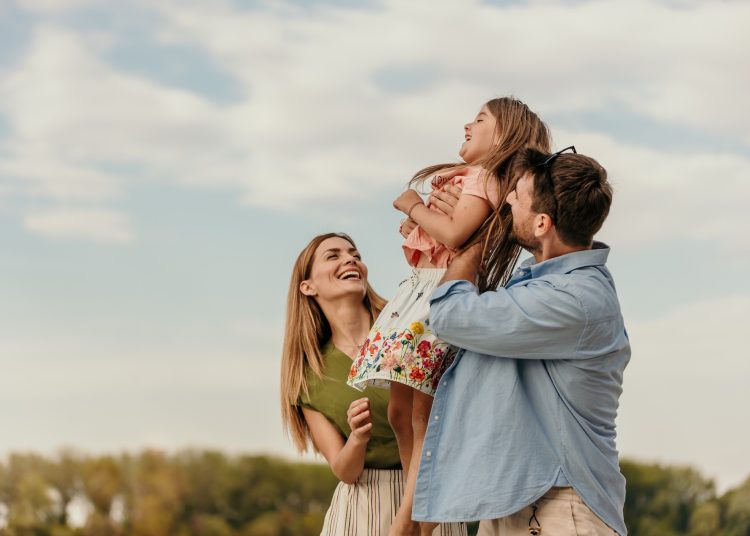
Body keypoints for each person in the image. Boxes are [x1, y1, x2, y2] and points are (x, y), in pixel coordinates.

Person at [348, 97, 551, 535]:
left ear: (503, 135)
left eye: (479, 119)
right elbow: (447, 239)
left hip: (435, 298)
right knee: (401, 414)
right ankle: (417, 510)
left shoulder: (483, 177)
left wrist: (413, 207)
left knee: (420, 416)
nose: (467, 124)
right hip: (419, 293)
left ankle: (408, 523)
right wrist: (421, 228)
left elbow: (458, 234)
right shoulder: (471, 180)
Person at [411, 147, 631, 536]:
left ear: (543, 223)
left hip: (561, 508)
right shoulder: (543, 284)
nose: (507, 199)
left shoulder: (572, 299)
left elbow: (451, 315)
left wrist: (476, 240)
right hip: (521, 500)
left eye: (518, 196)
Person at [280, 233, 465, 535]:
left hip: (427, 495)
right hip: (361, 507)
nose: (350, 259)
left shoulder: (409, 326)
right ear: (307, 286)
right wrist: (356, 438)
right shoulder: (307, 376)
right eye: (333, 256)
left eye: (354, 254)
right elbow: (344, 471)